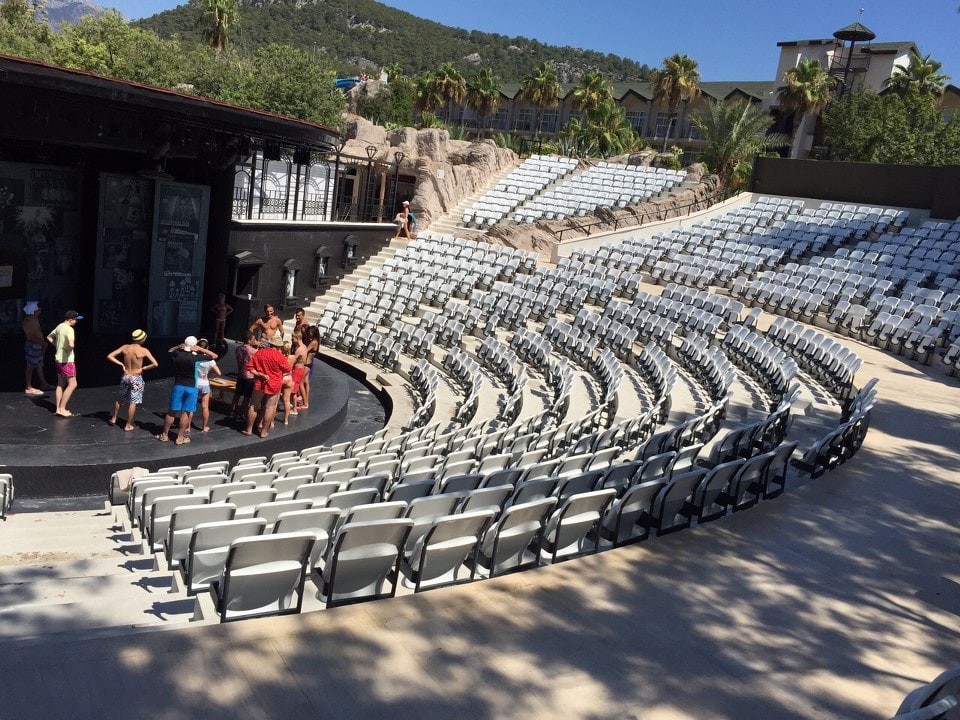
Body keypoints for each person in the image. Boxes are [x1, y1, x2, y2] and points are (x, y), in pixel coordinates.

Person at [156, 335, 218, 445]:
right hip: (191, 387)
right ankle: (180, 437)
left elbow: (170, 350)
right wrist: (201, 349)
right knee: (185, 413)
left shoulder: (177, 354)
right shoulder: (197, 358)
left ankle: (164, 435)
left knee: (171, 412)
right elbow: (214, 356)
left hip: (178, 385)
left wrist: (178, 346)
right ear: (194, 345)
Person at [106, 328, 159, 431]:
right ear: (142, 339)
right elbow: (155, 364)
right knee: (133, 401)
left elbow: (110, 356)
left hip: (126, 376)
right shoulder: (144, 350)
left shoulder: (125, 347)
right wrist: (143, 368)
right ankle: (128, 425)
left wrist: (121, 364)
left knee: (120, 397)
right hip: (136, 377)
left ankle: (114, 418)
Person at [243, 334, 291, 439]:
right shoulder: (280, 357)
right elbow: (288, 369)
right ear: (279, 346)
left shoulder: (260, 352)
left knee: (253, 405)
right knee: (270, 407)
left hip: (260, 382)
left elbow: (249, 367)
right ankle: (263, 432)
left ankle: (249, 429)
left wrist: (260, 374)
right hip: (274, 384)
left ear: (270, 344)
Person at [46, 310, 82, 417]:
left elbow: (49, 337)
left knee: (60, 384)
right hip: (67, 361)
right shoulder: (69, 329)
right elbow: (71, 344)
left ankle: (58, 408)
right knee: (73, 384)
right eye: (75, 320)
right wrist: (68, 349)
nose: (76, 321)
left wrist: (58, 346)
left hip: (58, 359)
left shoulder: (59, 326)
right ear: (70, 320)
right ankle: (62, 408)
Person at [23, 300, 53, 396]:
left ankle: (43, 383)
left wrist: (42, 343)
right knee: (30, 366)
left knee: (39, 365)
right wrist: (43, 343)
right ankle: (28, 387)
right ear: (33, 310)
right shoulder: (29, 321)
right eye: (38, 310)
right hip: (34, 345)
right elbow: (32, 336)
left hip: (38, 344)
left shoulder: (34, 319)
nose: (40, 311)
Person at [193, 338, 221, 432]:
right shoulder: (209, 360)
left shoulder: (194, 357)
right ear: (207, 348)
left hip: (195, 382)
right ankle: (204, 427)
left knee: (191, 406)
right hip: (204, 382)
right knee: (205, 406)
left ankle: (188, 427)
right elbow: (219, 373)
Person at [231, 332, 259, 419]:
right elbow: (259, 354)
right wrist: (258, 346)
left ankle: (233, 410)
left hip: (240, 374)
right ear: (249, 340)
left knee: (237, 394)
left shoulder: (239, 348)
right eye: (254, 339)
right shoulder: (252, 350)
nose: (255, 341)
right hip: (249, 376)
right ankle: (242, 413)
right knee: (247, 397)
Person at [297, 324, 320, 411]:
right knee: (306, 382)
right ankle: (306, 400)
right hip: (309, 364)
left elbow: (305, 350)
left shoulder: (313, 342)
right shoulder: (315, 341)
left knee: (300, 382)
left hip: (306, 364)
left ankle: (305, 403)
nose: (309, 333)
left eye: (311, 332)